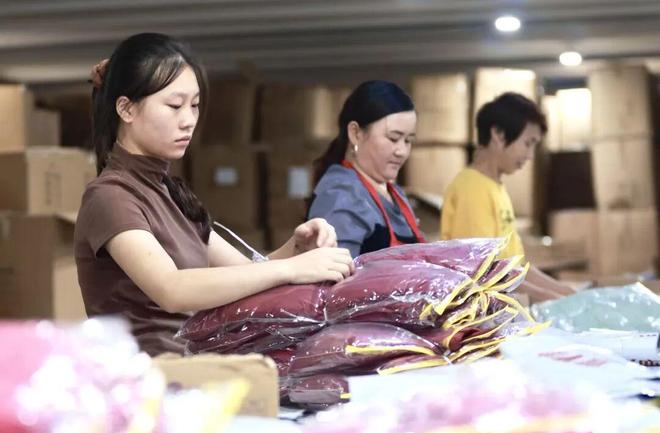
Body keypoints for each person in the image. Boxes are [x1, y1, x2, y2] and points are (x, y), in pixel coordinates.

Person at [74, 33, 353, 356]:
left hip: (194, 366)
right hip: (146, 375)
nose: (189, 121)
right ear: (126, 109)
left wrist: (296, 249)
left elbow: (243, 272)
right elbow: (172, 289)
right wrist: (293, 269)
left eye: (194, 105)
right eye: (174, 106)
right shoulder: (111, 197)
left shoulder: (168, 193)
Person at [440, 92, 574, 302]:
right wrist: (550, 298)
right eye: (528, 143)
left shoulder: (495, 187)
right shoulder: (472, 189)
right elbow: (483, 273)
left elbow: (516, 267)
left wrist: (566, 292)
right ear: (498, 134)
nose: (530, 156)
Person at [307, 80, 425, 258]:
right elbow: (334, 272)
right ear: (355, 133)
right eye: (393, 138)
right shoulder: (341, 195)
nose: (402, 151)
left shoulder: (395, 193)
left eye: (408, 141)